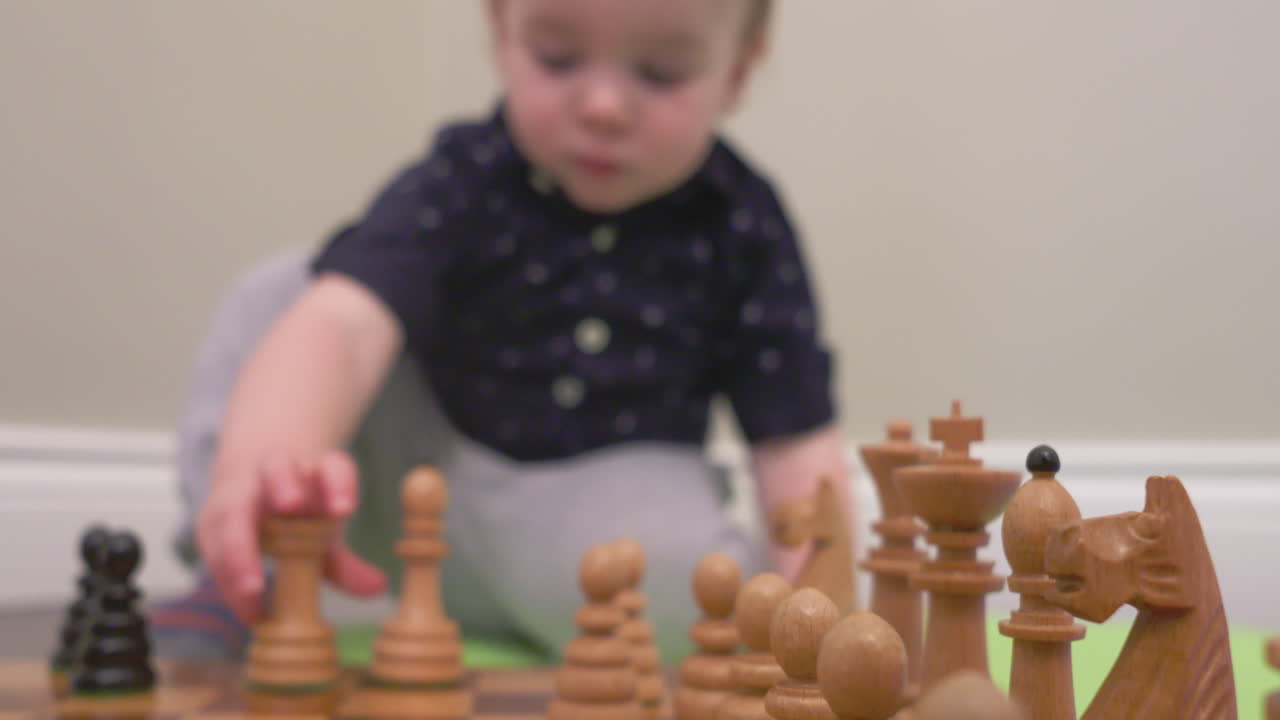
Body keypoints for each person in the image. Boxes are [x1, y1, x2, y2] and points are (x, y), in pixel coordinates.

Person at [152, 0, 850, 663]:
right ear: (500, 32)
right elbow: (345, 326)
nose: (603, 107)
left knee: (709, 586)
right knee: (288, 296)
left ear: (739, 70)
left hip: (599, 538)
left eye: (661, 73)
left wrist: (823, 619)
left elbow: (795, 439)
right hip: (420, 488)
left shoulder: (742, 224)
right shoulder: (463, 180)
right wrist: (273, 463)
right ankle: (250, 565)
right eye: (556, 58)